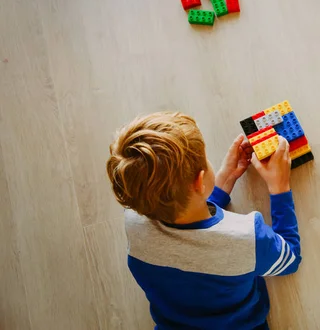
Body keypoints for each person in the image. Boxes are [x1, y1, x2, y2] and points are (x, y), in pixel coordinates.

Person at [106, 112, 301, 330]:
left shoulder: (133, 221)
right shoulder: (247, 239)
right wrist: (279, 187)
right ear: (199, 182)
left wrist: (223, 183)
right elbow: (289, 259)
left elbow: (185, 230)